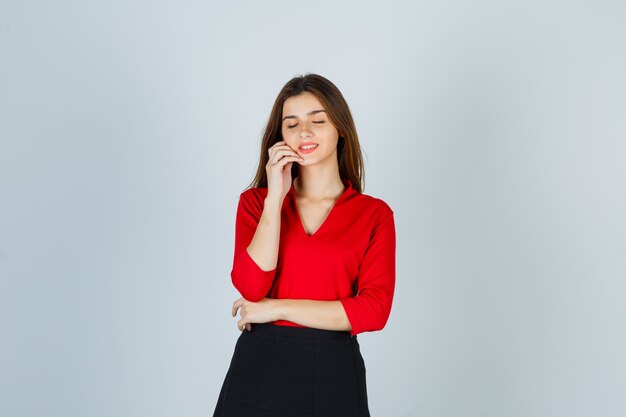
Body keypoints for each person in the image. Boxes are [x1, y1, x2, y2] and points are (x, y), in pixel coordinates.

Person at [212, 73, 396, 417]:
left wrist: (278, 309)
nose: (304, 133)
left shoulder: (374, 215)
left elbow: (374, 310)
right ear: (280, 136)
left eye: (318, 120)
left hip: (334, 372)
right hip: (259, 369)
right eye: (291, 124)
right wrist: (274, 198)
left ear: (340, 128)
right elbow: (252, 286)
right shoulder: (256, 203)